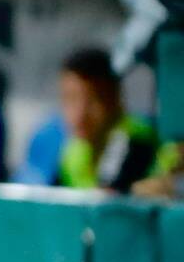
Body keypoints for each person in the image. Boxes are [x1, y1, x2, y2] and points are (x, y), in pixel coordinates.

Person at [56, 46, 177, 194]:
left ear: (115, 99)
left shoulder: (133, 137)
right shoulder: (72, 152)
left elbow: (107, 198)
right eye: (70, 98)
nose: (79, 114)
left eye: (92, 101)